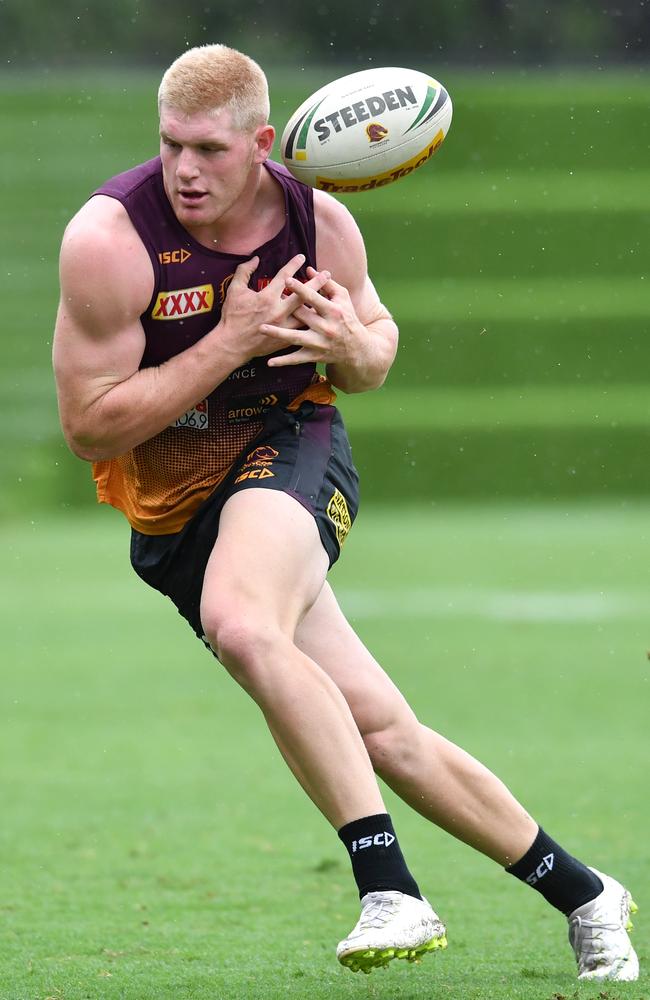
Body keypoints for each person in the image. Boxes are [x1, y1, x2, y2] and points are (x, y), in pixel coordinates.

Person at [52, 43, 639, 982]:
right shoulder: (111, 240)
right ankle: (586, 894)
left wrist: (347, 347)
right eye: (170, 146)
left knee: (243, 625)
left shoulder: (317, 223)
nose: (186, 170)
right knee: (382, 731)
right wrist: (232, 339)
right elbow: (89, 427)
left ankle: (388, 888)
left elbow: (372, 350)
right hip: (173, 515)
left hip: (291, 449)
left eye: (209, 149)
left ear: (262, 141)